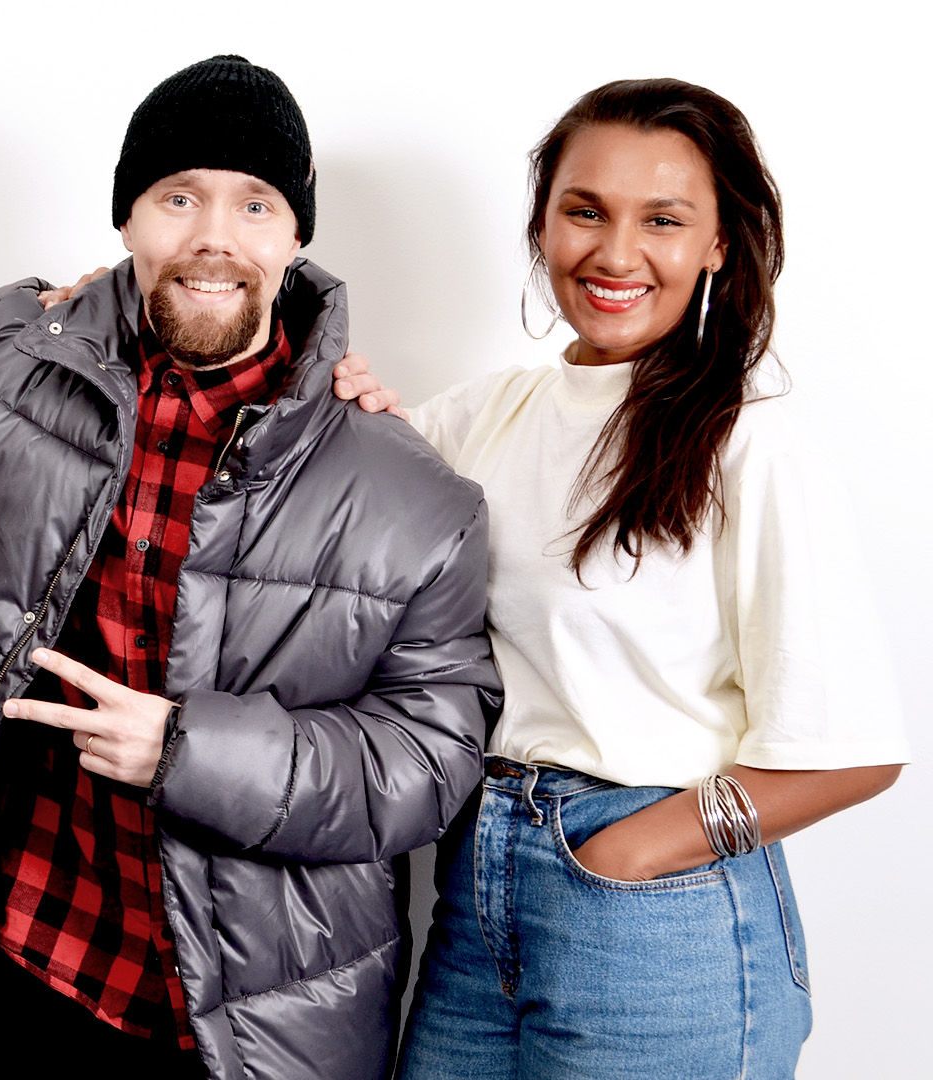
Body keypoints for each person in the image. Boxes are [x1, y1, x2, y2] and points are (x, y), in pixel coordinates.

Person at [0, 56, 502, 1080]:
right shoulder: (14, 357)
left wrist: (188, 752)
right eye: (178, 198)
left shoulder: (411, 492)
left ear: (296, 237)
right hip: (32, 969)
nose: (214, 237)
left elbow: (431, 758)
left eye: (255, 205)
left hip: (261, 1028)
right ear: (127, 219)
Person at [328, 79, 909, 1079]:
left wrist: (627, 855)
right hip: (477, 886)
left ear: (718, 243)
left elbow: (852, 754)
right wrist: (101, 306)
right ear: (543, 224)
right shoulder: (490, 414)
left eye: (664, 220)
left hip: (655, 913)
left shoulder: (750, 442)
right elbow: (299, 476)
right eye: (585, 211)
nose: (616, 253)